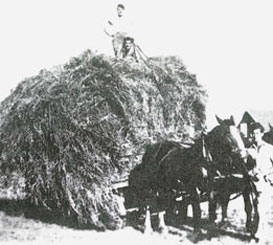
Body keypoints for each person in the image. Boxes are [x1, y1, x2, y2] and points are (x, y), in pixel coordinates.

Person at [247, 122, 273, 244]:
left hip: (266, 183)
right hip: (253, 185)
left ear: (262, 134)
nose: (255, 135)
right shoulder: (250, 150)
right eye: (253, 133)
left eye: (257, 133)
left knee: (261, 210)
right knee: (256, 209)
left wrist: (269, 176)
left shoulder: (269, 148)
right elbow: (248, 166)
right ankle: (256, 234)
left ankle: (261, 237)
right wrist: (251, 172)